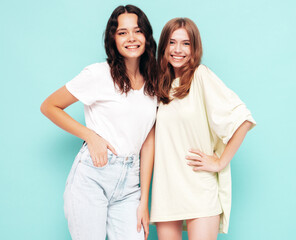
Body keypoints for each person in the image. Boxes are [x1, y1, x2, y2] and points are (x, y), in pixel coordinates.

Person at [40, 5, 157, 240]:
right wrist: (90, 136)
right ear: (113, 39)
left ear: (146, 36)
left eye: (137, 31)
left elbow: (148, 142)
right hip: (93, 174)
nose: (131, 38)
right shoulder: (98, 74)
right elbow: (49, 106)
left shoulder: (154, 82)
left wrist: (144, 200)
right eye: (123, 32)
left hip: (130, 182)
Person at [150, 18, 256, 240]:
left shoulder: (201, 76)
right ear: (164, 46)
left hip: (198, 187)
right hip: (166, 190)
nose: (178, 50)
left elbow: (243, 119)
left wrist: (219, 162)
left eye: (186, 43)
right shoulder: (159, 85)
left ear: (194, 48)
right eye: (172, 42)